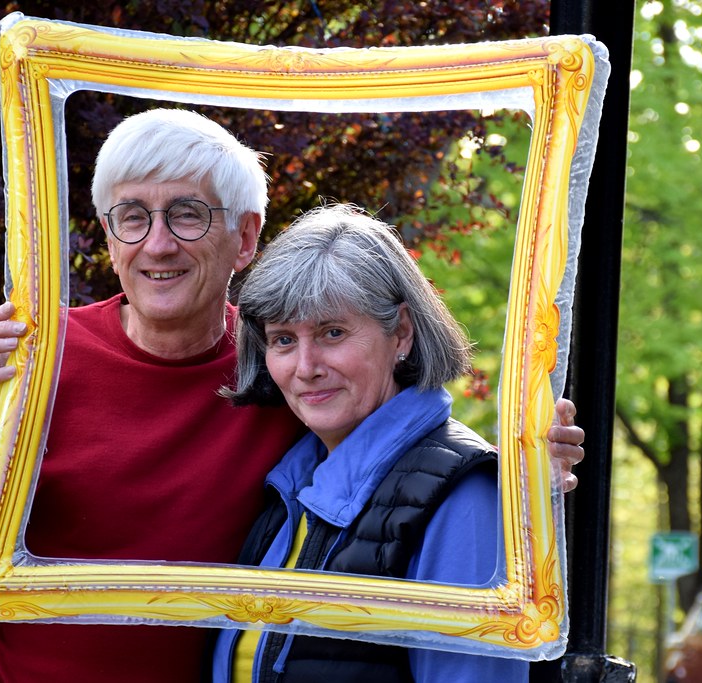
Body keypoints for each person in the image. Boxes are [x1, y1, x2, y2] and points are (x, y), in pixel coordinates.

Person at [0, 109, 585, 683]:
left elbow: (402, 459)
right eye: (131, 217)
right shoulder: (30, 361)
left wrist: (520, 481)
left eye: (188, 215)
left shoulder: (278, 374)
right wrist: (3, 432)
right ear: (108, 238)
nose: (158, 243)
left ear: (247, 237)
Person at [212, 203, 539, 682]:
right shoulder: (290, 483)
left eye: (333, 332)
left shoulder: (464, 495)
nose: (306, 367)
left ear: (401, 333)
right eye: (283, 340)